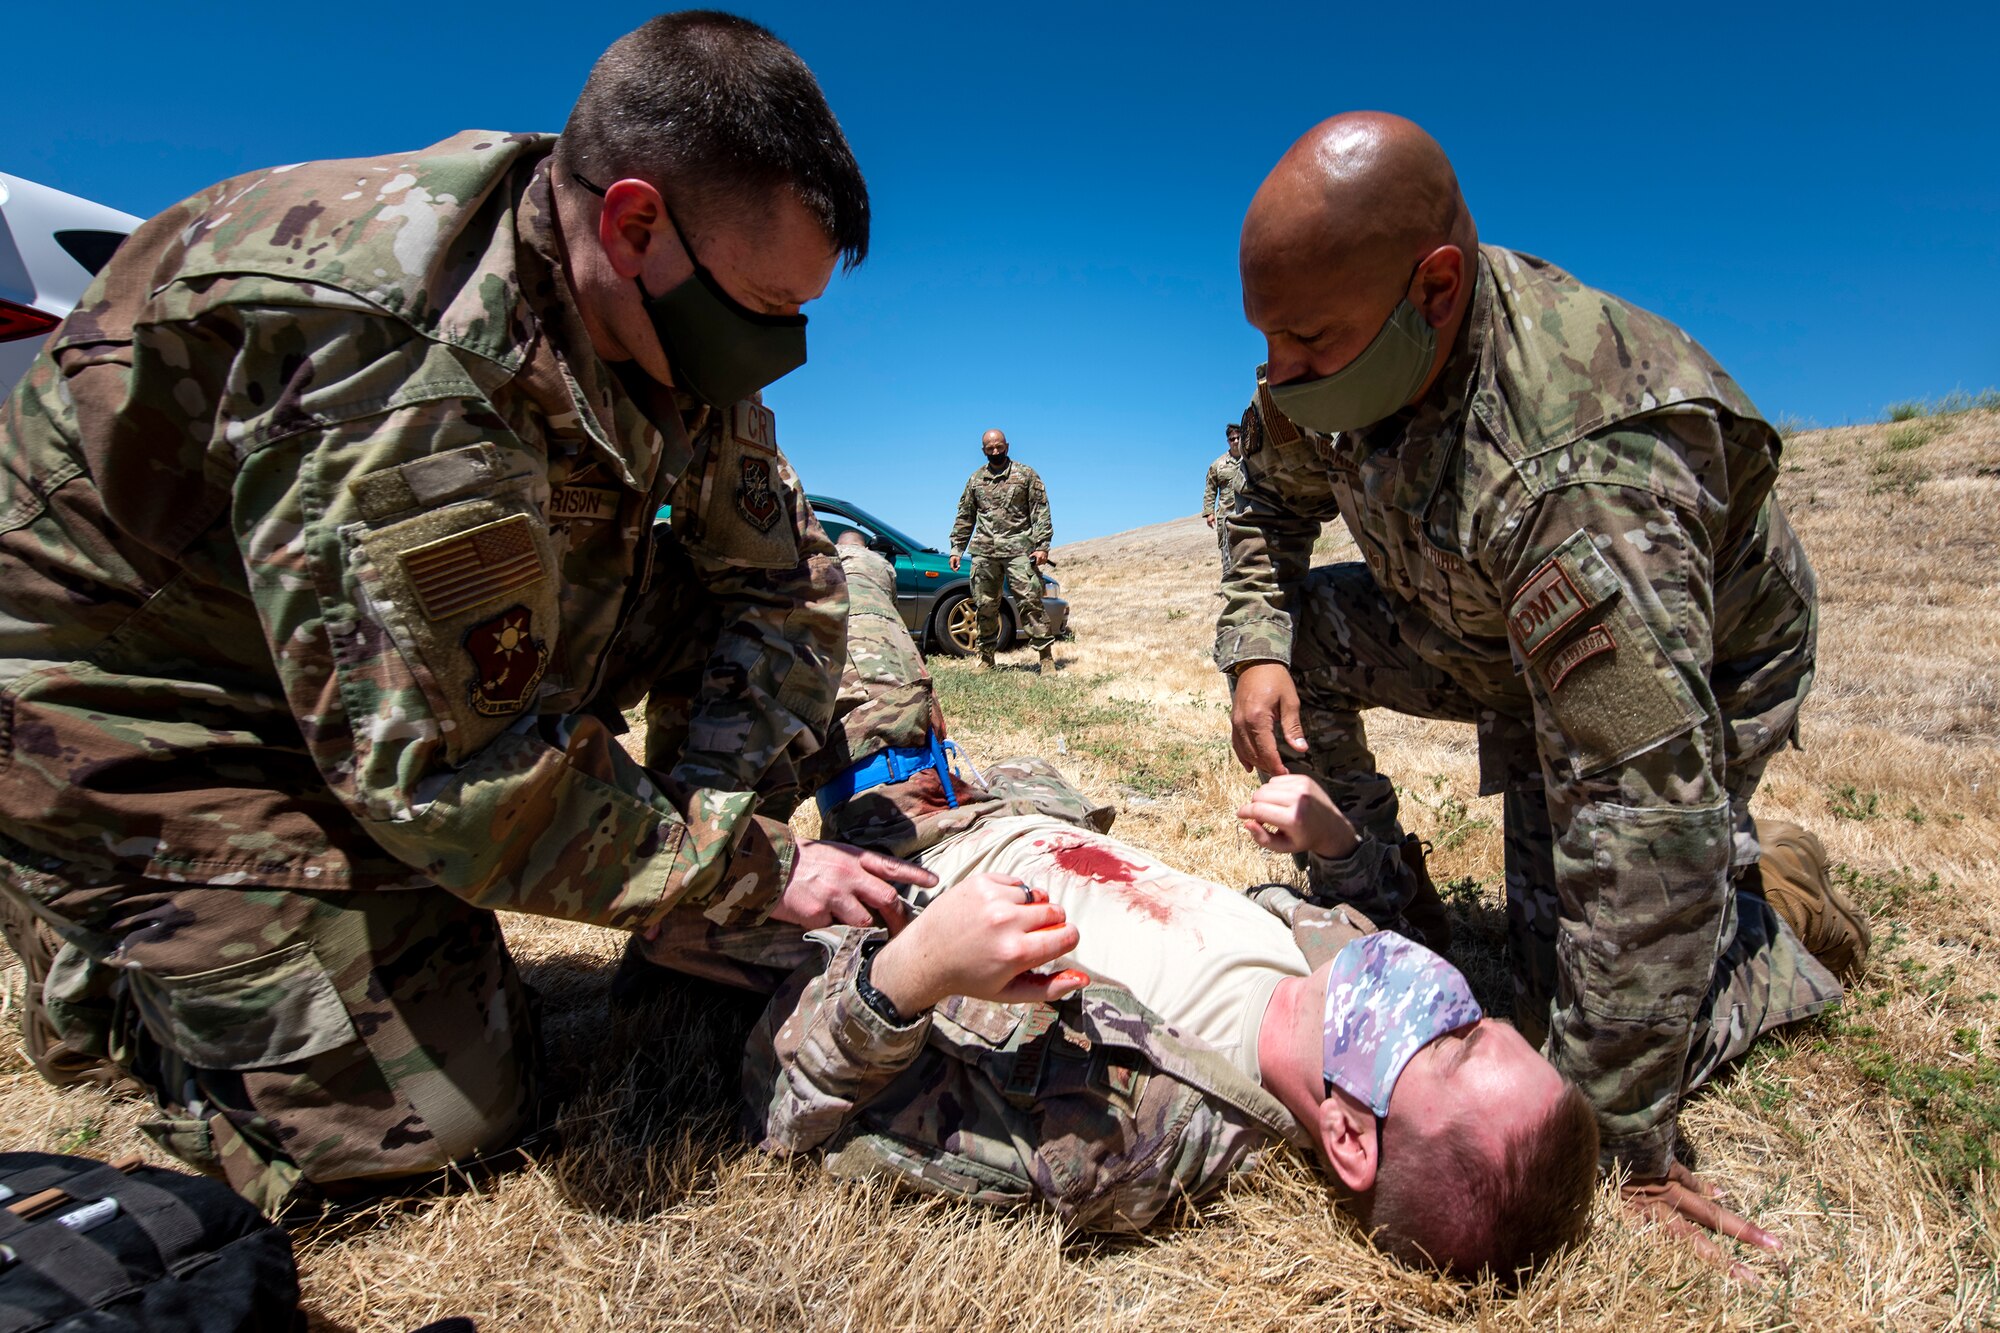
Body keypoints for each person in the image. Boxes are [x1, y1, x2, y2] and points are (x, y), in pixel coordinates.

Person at [0, 12, 937, 1214]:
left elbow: (777, 581)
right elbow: (447, 773)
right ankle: (101, 956)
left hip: (376, 667)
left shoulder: (666, 323)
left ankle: (656, 924)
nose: (777, 355)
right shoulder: (393, 343)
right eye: (759, 306)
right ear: (635, 221)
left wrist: (704, 855)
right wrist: (754, 872)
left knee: (772, 599)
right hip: (154, 708)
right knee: (432, 1123)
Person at [1218, 112, 1868, 1267]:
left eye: (1306, 345)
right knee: (1306, 642)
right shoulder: (1331, 347)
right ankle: (1383, 912)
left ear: (1432, 289)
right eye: (1266, 341)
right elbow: (1257, 492)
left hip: (1681, 671)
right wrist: (1257, 640)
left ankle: (1772, 913)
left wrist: (1613, 1139)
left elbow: (1642, 808)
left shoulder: (1580, 461)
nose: (1279, 375)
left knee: (1566, 984)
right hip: (1483, 627)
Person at [638, 536, 1602, 1278]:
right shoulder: (1341, 997)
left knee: (744, 639)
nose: (1452, 996)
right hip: (956, 798)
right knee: (847, 573)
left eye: (1455, 1040)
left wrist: (911, 972)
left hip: (849, 882)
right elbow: (1403, 924)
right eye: (1487, 1020)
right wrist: (1338, 844)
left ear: (1350, 1136)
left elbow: (794, 1109)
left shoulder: (1123, 1134)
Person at [948, 428, 1056, 670]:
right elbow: (966, 516)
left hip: (1019, 551)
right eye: (989, 447)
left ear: (1007, 445)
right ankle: (986, 659)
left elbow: (1041, 511)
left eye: (999, 446)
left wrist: (1042, 546)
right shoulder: (975, 480)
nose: (995, 451)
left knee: (1030, 601)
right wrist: (957, 548)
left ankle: (1046, 657)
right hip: (985, 553)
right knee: (985, 605)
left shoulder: (1026, 475)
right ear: (983, 450)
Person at [1202, 417, 1249, 575]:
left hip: (1249, 511)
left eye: (1238, 437)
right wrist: (1209, 513)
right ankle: (1230, 584)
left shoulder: (1251, 459)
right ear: (1227, 441)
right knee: (1227, 551)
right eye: (1231, 439)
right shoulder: (1218, 465)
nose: (1235, 441)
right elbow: (1210, 488)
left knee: (1250, 548)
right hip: (1226, 514)